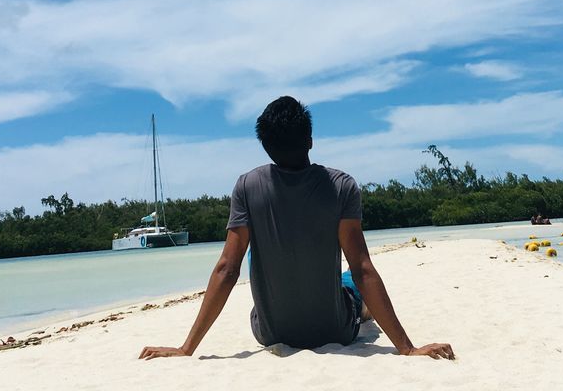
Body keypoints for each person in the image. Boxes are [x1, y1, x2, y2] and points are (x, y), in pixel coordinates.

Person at [139, 96, 454, 361]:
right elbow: (363, 268)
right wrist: (407, 348)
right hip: (336, 331)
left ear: (266, 146)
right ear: (310, 140)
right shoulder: (341, 186)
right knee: (351, 281)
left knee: (256, 252)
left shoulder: (247, 186)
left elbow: (226, 269)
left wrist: (186, 348)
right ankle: (364, 310)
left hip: (269, 332)